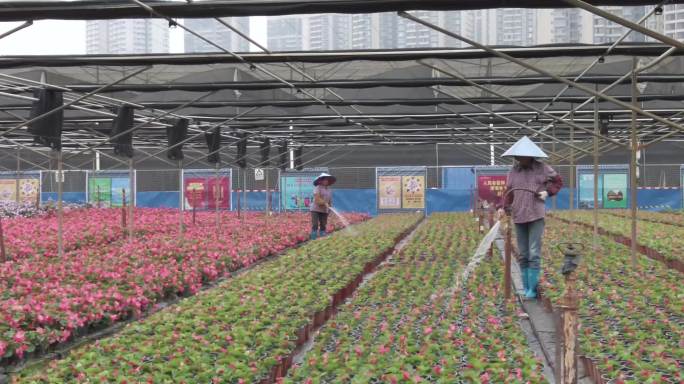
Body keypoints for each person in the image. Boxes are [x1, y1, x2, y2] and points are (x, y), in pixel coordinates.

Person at [497, 136, 563, 299]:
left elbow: (558, 181)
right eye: (516, 156)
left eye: (521, 156)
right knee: (523, 253)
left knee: (534, 253)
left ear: (530, 155)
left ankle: (532, 289)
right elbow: (509, 193)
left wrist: (547, 192)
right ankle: (526, 286)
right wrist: (503, 207)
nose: (518, 159)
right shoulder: (513, 172)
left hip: (535, 214)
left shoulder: (542, 168)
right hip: (519, 215)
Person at [311, 173, 336, 240]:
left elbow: (329, 200)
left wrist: (330, 208)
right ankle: (313, 238)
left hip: (324, 210)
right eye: (324, 180)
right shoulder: (317, 188)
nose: (326, 181)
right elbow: (317, 199)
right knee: (315, 224)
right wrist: (324, 203)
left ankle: (322, 238)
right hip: (315, 209)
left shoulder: (329, 190)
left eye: (327, 180)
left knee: (323, 224)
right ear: (321, 181)